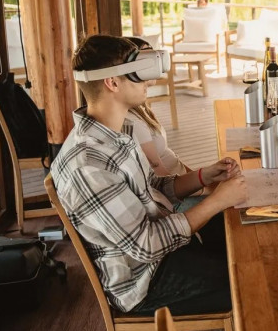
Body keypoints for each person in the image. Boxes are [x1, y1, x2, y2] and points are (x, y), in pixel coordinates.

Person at [50, 34, 247, 315]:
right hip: (146, 281)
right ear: (113, 82)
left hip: (166, 250)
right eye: (138, 73)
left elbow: (153, 187)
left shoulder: (119, 132)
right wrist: (216, 201)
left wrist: (204, 176)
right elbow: (147, 245)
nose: (149, 80)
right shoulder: (87, 165)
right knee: (251, 278)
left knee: (247, 233)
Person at [126, 37, 187, 177]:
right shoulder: (133, 121)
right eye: (147, 58)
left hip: (182, 178)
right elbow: (163, 182)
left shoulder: (142, 108)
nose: (156, 64)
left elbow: (168, 156)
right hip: (176, 190)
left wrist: (202, 176)